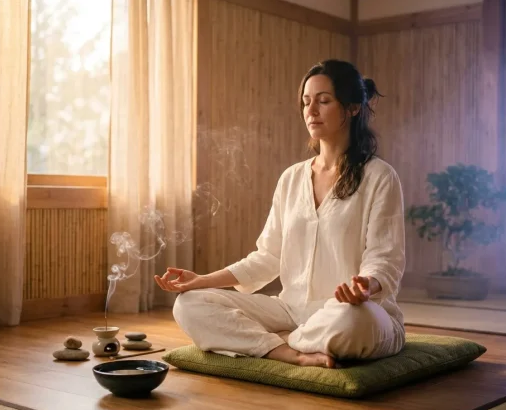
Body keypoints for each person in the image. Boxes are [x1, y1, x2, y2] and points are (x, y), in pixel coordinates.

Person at [155, 59, 406, 369]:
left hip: (350, 312)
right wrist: (201, 281)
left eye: (323, 101)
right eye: (306, 102)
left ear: (353, 107)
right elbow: (267, 258)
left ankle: (280, 339)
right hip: (290, 310)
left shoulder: (380, 176)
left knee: (354, 322)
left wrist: (366, 286)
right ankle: (290, 351)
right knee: (190, 305)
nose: (311, 110)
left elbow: (386, 259)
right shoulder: (292, 178)